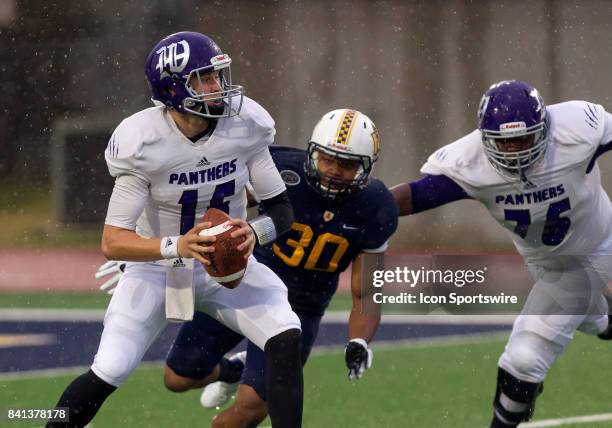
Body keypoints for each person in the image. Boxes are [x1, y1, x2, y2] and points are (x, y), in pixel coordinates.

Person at [47, 31, 303, 428]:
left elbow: (281, 209)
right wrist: (176, 245)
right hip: (159, 270)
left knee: (285, 335)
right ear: (174, 87)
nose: (218, 87)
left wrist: (254, 233)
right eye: (205, 78)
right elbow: (112, 241)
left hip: (227, 267)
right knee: (109, 370)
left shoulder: (245, 125)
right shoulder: (143, 141)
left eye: (218, 76)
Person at [99, 109, 398, 426]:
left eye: (347, 164)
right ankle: (234, 369)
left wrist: (359, 340)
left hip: (301, 308)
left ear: (366, 169)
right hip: (241, 284)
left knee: (247, 411)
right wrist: (149, 250)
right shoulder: (284, 169)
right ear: (313, 153)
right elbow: (210, 206)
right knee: (177, 377)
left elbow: (366, 290)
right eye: (328, 160)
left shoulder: (375, 206)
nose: (334, 171)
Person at [390, 80, 612, 427]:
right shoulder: (469, 163)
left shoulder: (578, 129)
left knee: (524, 359)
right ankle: (604, 317)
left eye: (523, 139)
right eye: (504, 143)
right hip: (552, 266)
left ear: (544, 128)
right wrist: (362, 206)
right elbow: (415, 196)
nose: (515, 151)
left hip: (604, 241)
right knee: (581, 317)